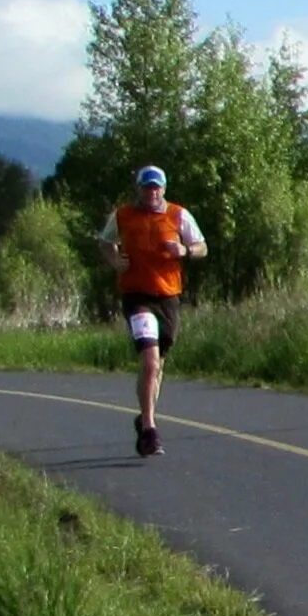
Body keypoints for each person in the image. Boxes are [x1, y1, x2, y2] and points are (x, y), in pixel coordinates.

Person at [96, 164, 206, 456]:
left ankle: (145, 416)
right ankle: (149, 428)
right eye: (147, 187)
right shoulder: (123, 215)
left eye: (156, 187)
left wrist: (184, 251)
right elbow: (105, 242)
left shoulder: (178, 215)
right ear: (139, 190)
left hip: (167, 296)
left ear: (164, 189)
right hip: (136, 295)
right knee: (150, 360)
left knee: (160, 364)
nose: (152, 192)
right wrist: (115, 261)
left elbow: (201, 246)